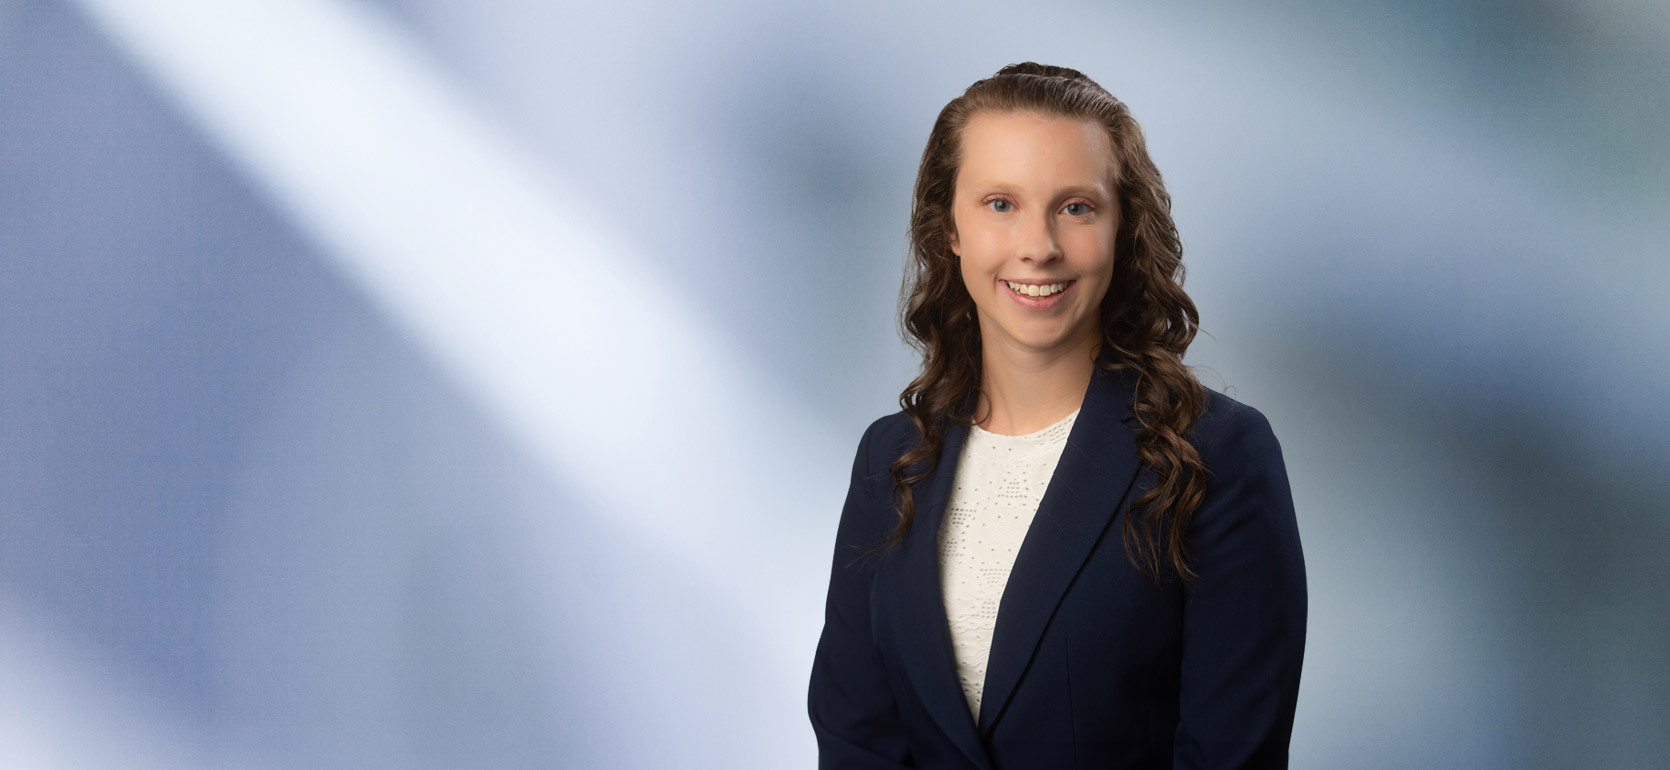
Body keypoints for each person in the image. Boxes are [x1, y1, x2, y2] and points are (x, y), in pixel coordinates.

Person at [807, 63, 1307, 769]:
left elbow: (1232, 757)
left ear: (1121, 226)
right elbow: (856, 738)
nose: (1037, 245)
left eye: (1075, 207)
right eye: (1000, 204)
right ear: (950, 229)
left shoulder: (1219, 455)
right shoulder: (890, 460)